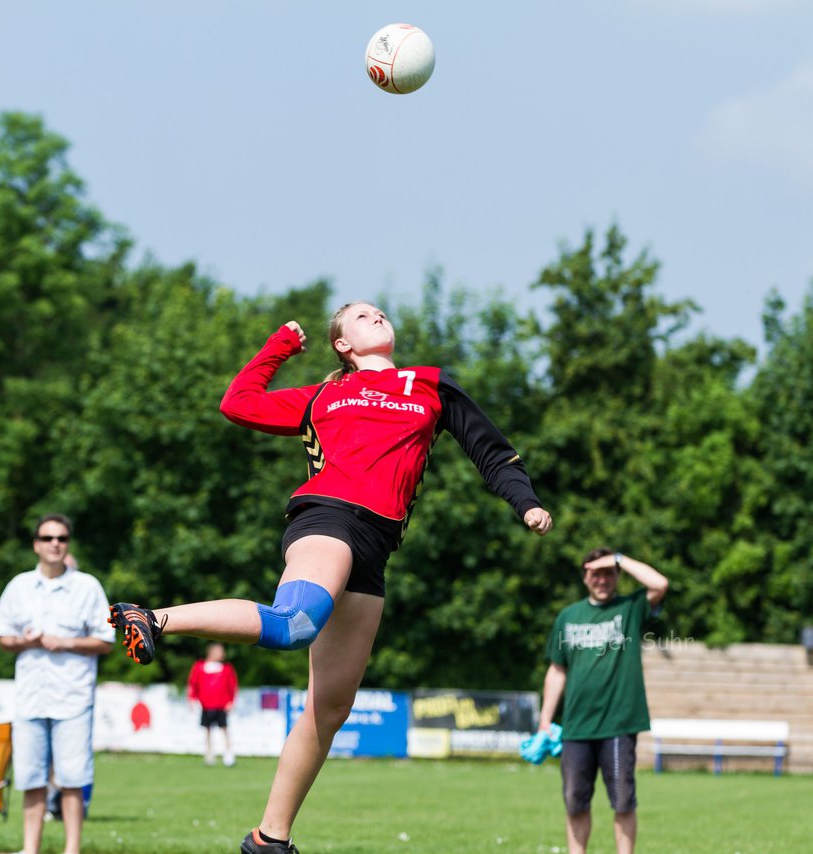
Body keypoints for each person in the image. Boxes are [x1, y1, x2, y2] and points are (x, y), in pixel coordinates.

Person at [107, 303, 553, 854]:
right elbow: (238, 404)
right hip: (328, 517)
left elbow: (492, 452)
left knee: (332, 706)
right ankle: (149, 616)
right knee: (293, 624)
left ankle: (269, 839)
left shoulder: (430, 385)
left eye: (380, 312)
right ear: (342, 345)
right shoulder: (326, 393)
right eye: (361, 317)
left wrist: (525, 503)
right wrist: (277, 348)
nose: (377, 316)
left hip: (376, 544)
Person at [0, 514, 116, 854]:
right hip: (31, 697)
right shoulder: (19, 586)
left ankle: (71, 849)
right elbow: (2, 637)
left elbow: (106, 641)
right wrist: (24, 640)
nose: (55, 543)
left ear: (68, 544)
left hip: (73, 697)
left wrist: (65, 642)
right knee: (31, 778)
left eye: (61, 538)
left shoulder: (87, 587)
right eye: (48, 538)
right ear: (36, 544)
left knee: (73, 779)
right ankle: (30, 848)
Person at [536, 549, 668, 854]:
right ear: (584, 578)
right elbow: (557, 670)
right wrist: (545, 720)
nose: (602, 579)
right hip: (576, 727)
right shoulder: (568, 617)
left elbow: (660, 584)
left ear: (617, 575)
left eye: (608, 573)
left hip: (618, 725)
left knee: (623, 800)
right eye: (595, 573)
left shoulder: (630, 608)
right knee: (573, 801)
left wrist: (618, 559)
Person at [188, 642, 239, 767]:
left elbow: (233, 686)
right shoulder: (200, 666)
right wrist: (192, 699)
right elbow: (193, 683)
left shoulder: (227, 668)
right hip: (206, 705)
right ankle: (209, 753)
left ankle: (228, 754)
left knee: (224, 729)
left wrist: (231, 701)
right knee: (207, 730)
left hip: (221, 706)